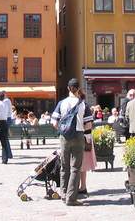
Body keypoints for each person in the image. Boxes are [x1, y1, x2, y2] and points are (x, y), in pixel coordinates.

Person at [51, 78, 86, 207]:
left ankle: (63, 193)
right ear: (78, 89)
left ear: (68, 88)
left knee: (64, 166)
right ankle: (71, 198)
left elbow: (54, 122)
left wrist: (62, 130)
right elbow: (88, 124)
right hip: (78, 135)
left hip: (64, 137)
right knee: (75, 168)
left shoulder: (61, 103)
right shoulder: (82, 104)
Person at [78, 91, 95, 196]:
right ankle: (81, 186)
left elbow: (89, 125)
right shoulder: (82, 106)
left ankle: (83, 186)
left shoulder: (84, 106)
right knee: (81, 164)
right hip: (85, 137)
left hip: (84, 138)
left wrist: (78, 130)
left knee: (83, 164)